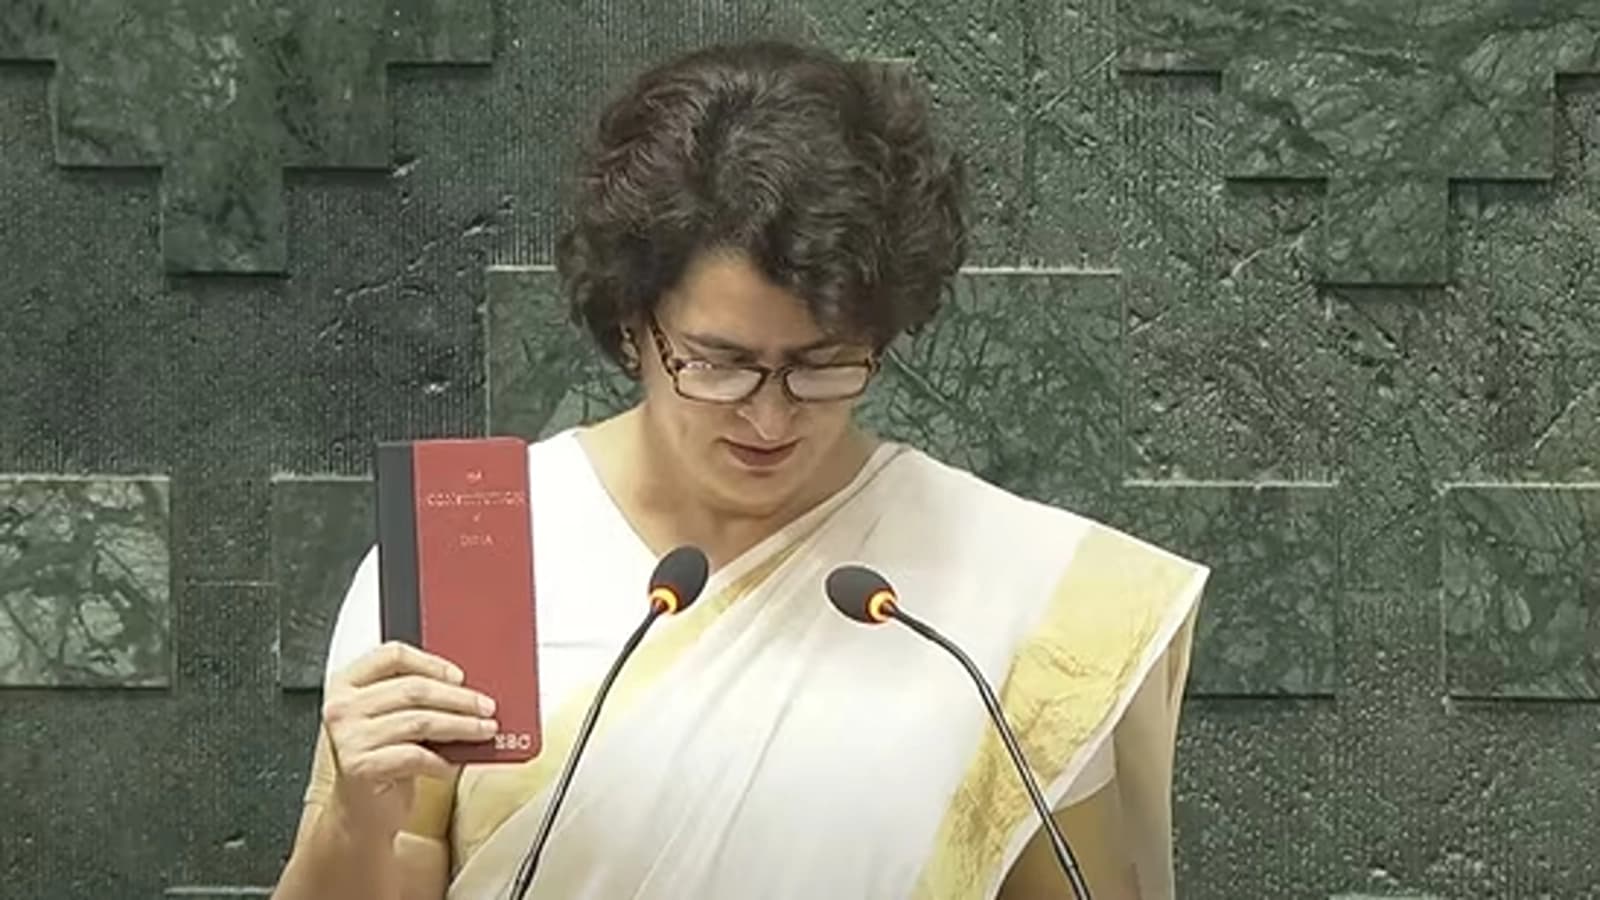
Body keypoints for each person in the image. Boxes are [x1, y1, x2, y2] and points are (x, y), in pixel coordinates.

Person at [271, 39, 1207, 900]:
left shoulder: (1019, 592)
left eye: (822, 365)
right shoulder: (476, 544)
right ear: (633, 326)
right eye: (720, 364)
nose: (770, 416)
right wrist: (353, 819)